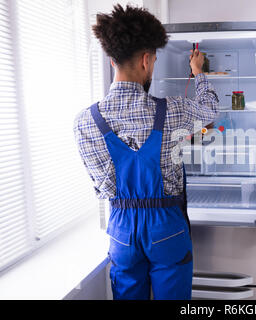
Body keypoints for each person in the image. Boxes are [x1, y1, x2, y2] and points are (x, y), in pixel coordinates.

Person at [73, 4, 219, 300]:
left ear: (112, 61)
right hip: (167, 228)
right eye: (153, 59)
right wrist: (198, 73)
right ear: (145, 60)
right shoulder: (173, 110)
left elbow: (104, 188)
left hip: (122, 231)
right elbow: (210, 109)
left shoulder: (85, 121)